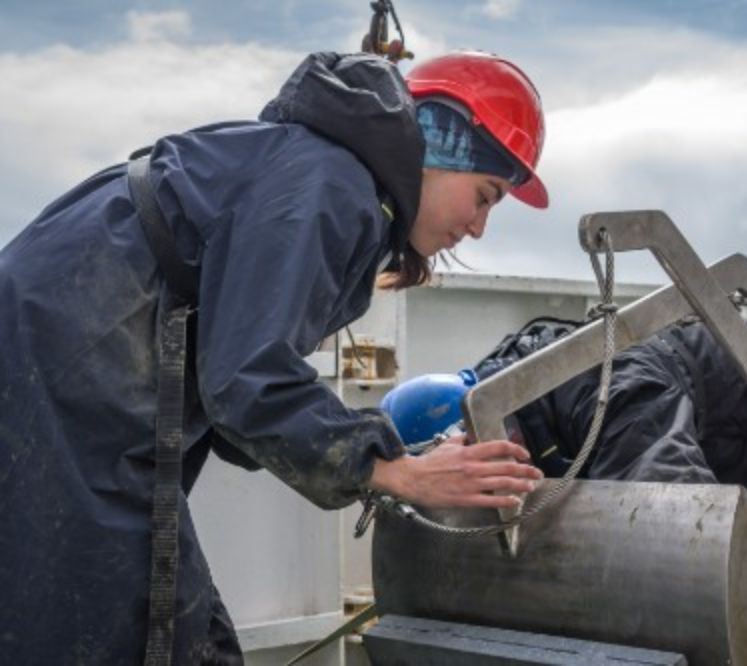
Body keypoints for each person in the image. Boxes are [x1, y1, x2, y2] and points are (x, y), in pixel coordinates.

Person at [0, 51, 545, 664]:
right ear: (443, 147)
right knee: (122, 625)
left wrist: (382, 455)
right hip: (66, 360)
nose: (478, 227)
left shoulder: (318, 172)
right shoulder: (330, 185)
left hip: (67, 346)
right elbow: (246, 381)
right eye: (485, 196)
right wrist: (396, 469)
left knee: (164, 625)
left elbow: (242, 406)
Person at [385, 316, 747, 525]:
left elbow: (681, 507)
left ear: (471, 433)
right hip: (722, 447)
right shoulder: (515, 409)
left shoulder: (607, 391)